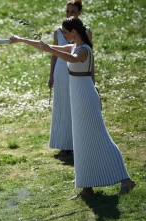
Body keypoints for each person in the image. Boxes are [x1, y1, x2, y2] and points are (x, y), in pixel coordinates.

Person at [9, 17, 136, 196]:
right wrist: (22, 40)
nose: (64, 35)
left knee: (99, 138)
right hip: (77, 98)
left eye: (66, 32)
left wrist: (51, 49)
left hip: (86, 97)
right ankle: (87, 187)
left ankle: (126, 180)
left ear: (74, 32)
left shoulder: (84, 50)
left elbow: (73, 58)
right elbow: (45, 47)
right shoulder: (74, 46)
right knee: (80, 141)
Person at [49, 0, 93, 157]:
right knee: (63, 107)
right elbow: (54, 55)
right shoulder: (58, 31)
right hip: (61, 72)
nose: (69, 14)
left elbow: (89, 56)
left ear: (80, 13)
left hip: (76, 72)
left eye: (73, 12)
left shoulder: (85, 32)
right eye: (67, 12)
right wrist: (51, 75)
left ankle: (77, 143)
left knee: (75, 106)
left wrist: (92, 79)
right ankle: (63, 143)